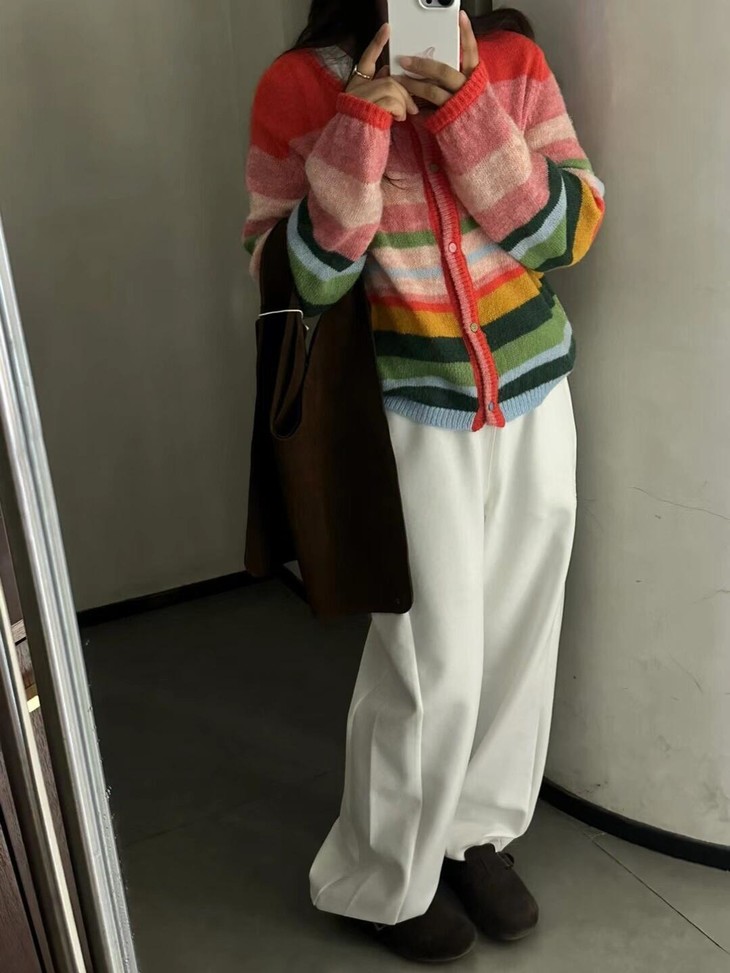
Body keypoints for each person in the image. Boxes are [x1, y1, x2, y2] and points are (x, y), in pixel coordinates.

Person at [244, 0, 605, 964]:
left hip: (535, 397)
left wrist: (469, 111)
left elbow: (568, 233)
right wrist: (360, 127)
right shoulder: (295, 88)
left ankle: (475, 830)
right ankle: (377, 875)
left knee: (521, 637)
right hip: (405, 413)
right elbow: (293, 277)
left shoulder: (513, 59)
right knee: (428, 658)